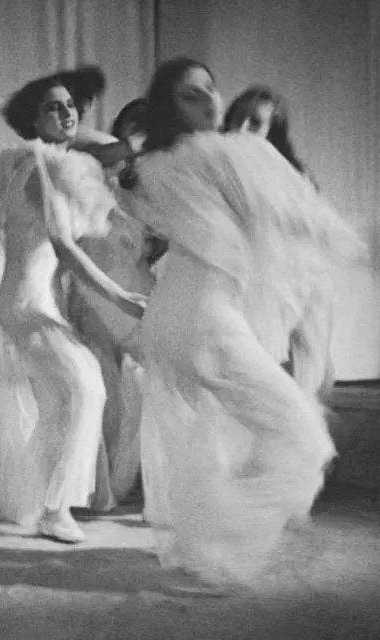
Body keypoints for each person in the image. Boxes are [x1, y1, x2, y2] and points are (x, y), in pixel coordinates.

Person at [110, 56, 363, 589]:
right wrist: (362, 244)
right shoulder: (227, 152)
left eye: (210, 89)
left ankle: (200, 541)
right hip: (204, 323)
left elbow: (136, 194)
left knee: (218, 440)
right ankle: (215, 548)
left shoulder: (153, 167)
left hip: (172, 322)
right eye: (189, 95)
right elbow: (303, 215)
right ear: (168, 106)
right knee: (305, 439)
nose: (207, 101)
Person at [0, 67, 146, 544]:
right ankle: (56, 510)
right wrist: (120, 296)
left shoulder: (38, 162)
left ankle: (27, 500)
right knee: (88, 387)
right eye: (53, 107)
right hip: (26, 307)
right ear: (34, 120)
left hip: (28, 304)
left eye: (70, 104)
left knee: (58, 405)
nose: (67, 112)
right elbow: (65, 246)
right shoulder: (39, 165)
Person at [67, 98, 164, 508]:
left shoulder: (153, 185)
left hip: (138, 289)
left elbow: (156, 244)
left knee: (155, 381)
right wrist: (131, 145)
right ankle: (98, 480)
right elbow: (82, 146)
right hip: (97, 292)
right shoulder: (93, 165)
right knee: (106, 387)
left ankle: (150, 471)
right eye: (132, 129)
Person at [223, 84, 334, 401]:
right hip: (235, 290)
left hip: (288, 294)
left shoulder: (293, 178)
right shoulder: (212, 166)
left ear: (272, 132)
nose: (242, 128)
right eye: (238, 118)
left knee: (296, 389)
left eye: (255, 122)